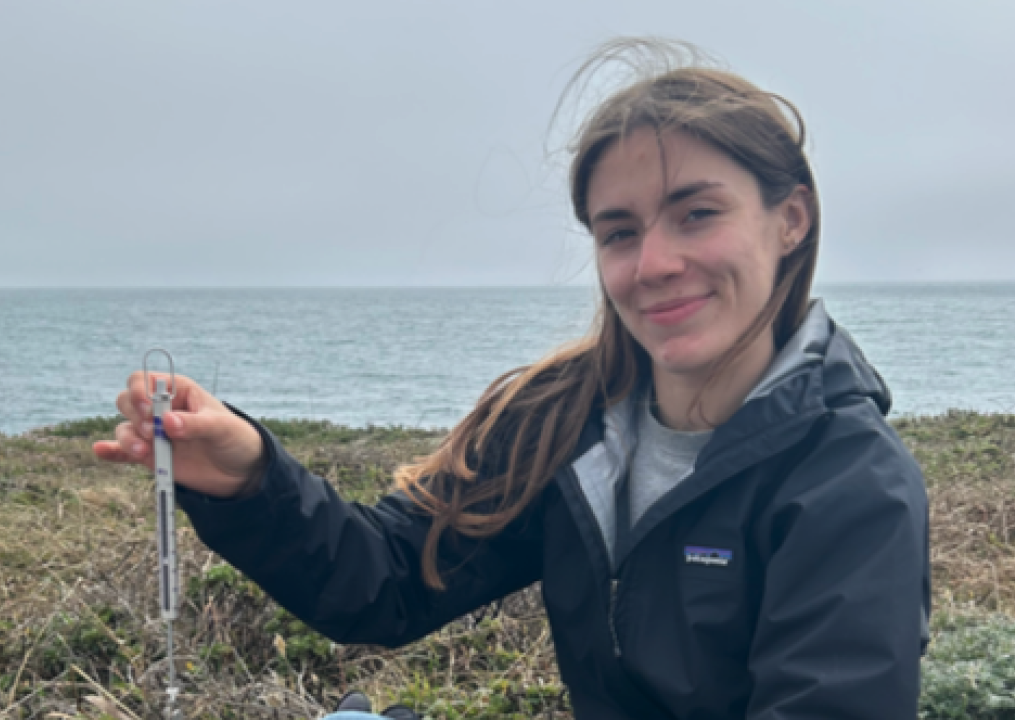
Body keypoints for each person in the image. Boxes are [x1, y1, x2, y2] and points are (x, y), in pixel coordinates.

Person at [94, 39, 931, 720]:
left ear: (791, 219)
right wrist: (248, 479)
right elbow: (389, 583)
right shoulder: (565, 419)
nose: (653, 264)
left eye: (697, 213)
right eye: (619, 231)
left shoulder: (849, 483)